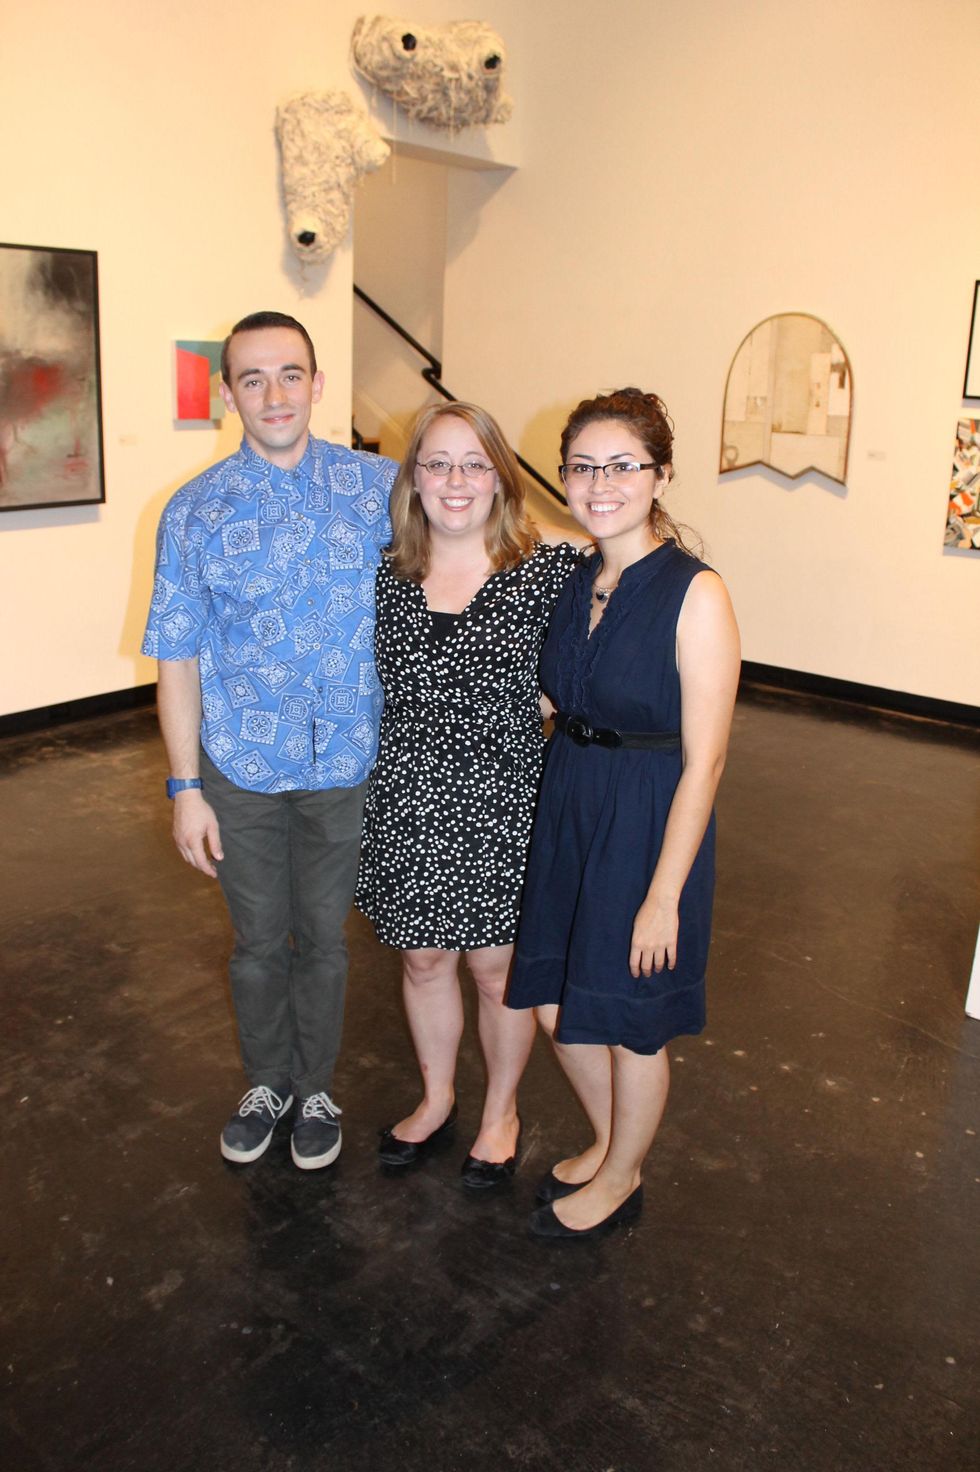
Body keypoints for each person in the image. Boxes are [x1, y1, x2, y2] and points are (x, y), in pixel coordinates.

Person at [142, 310, 396, 1170]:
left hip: (345, 760)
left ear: (317, 384)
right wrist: (185, 789)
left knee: (323, 939)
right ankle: (267, 1084)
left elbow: (469, 553)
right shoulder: (194, 511)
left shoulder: (380, 491)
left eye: (290, 374)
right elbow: (176, 657)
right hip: (240, 766)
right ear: (228, 394)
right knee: (258, 943)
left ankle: (315, 1087)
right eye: (252, 378)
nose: (274, 393)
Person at [507, 388, 740, 1238]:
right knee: (551, 997)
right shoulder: (578, 578)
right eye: (583, 467)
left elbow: (706, 759)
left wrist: (663, 895)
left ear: (661, 475)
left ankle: (621, 1176)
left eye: (622, 466)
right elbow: (554, 690)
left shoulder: (696, 593)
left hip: (644, 816)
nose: (600, 484)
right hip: (570, 795)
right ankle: (616, 1145)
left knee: (631, 1024)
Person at [355, 402, 580, 1186]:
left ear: (500, 478)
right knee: (423, 960)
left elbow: (593, 659)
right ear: (414, 477)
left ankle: (501, 1112)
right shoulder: (387, 573)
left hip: (501, 803)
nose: (456, 480)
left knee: (494, 970)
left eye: (475, 463)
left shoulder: (546, 571)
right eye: (438, 463)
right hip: (409, 796)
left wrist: (534, 710)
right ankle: (438, 1096)